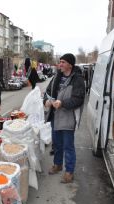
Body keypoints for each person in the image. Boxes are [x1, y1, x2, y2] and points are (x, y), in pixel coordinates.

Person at [43, 53, 85, 183]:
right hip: (55, 117)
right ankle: (58, 165)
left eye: (63, 62)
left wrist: (62, 103)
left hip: (68, 117)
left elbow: (78, 99)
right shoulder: (56, 77)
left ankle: (69, 171)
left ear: (70, 65)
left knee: (68, 146)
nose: (60, 64)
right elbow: (47, 93)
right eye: (60, 61)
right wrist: (46, 101)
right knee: (57, 144)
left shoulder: (77, 80)